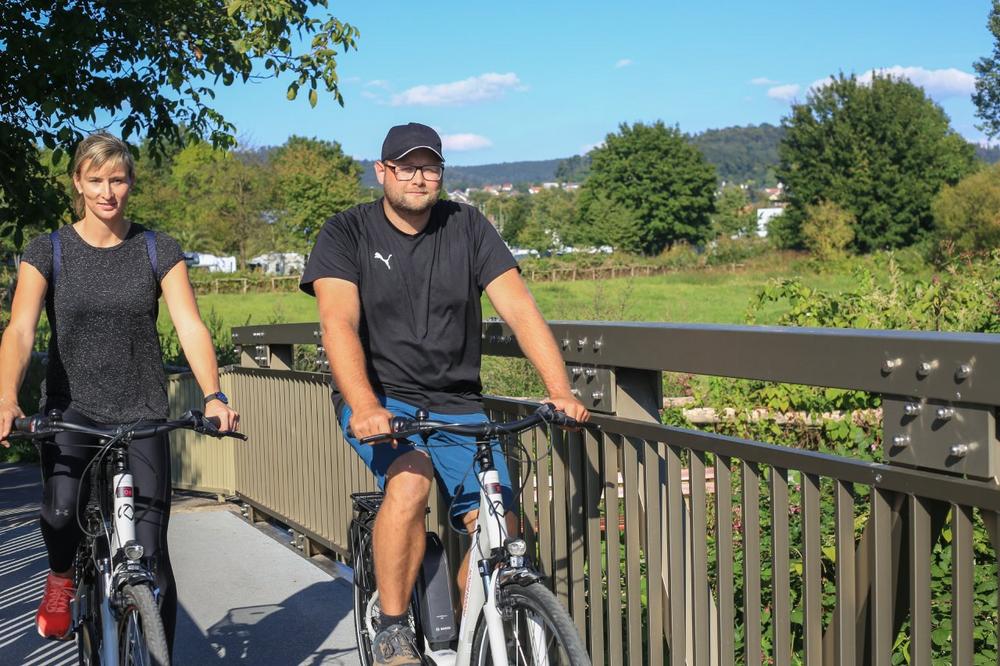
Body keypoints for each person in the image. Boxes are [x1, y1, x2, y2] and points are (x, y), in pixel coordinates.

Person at [300, 122, 589, 665]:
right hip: (382, 402)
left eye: (429, 166)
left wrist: (560, 391)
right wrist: (363, 405)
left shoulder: (468, 226)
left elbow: (521, 311)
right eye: (406, 166)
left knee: (503, 526)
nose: (418, 177)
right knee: (410, 482)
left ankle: (478, 621)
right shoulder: (346, 232)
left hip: (459, 406)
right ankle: (390, 627)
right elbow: (337, 322)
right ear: (382, 172)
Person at [0, 131, 239, 651]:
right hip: (72, 411)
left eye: (118, 179)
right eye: (96, 180)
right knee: (60, 513)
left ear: (131, 183)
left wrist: (214, 394)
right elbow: (19, 330)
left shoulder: (157, 249)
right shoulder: (49, 250)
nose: (108, 191)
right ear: (78, 185)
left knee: (153, 556)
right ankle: (61, 577)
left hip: (144, 411)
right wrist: (6, 398)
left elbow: (190, 326)